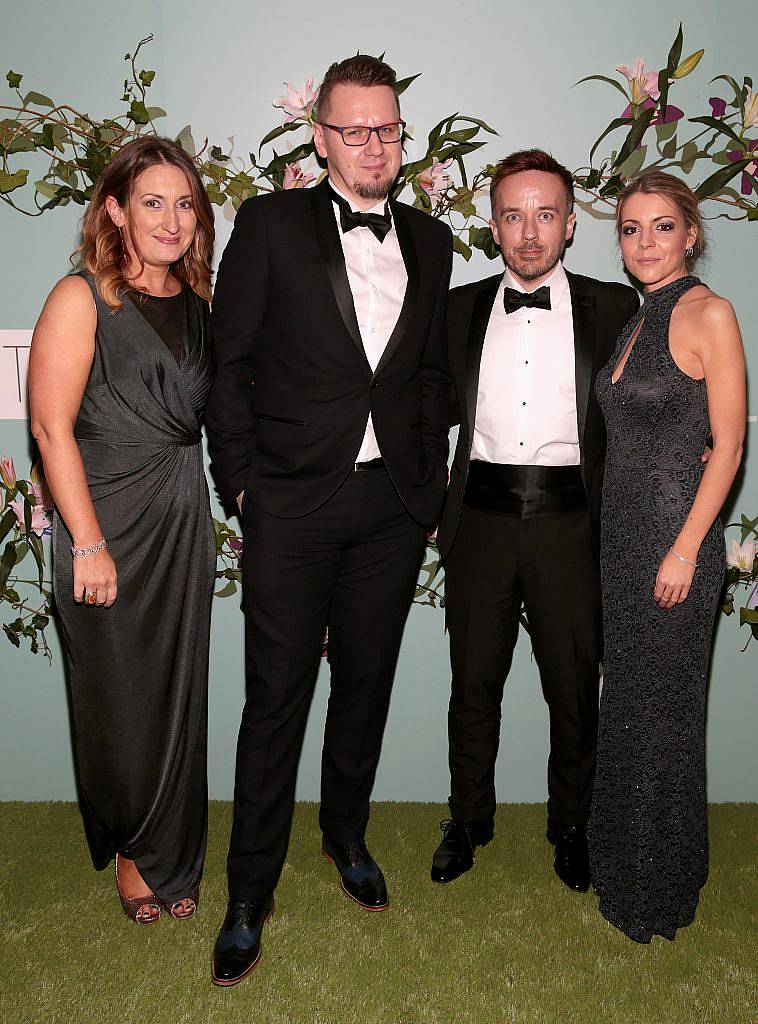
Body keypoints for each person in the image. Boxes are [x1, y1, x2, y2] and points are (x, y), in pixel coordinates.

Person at [205, 55, 452, 986]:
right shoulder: (269, 224)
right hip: (289, 506)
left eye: (388, 128)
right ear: (320, 137)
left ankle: (344, 836)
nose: (375, 144)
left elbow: (428, 377)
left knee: (366, 687)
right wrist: (242, 489)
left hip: (390, 509)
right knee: (274, 702)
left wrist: (422, 491)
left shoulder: (431, 241)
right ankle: (246, 892)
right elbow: (230, 369)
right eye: (355, 129)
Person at [430, 149, 639, 893]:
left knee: (574, 691)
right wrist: (430, 508)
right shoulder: (455, 309)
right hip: (478, 523)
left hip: (571, 526)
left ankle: (572, 828)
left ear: (571, 223)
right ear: (493, 225)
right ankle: (468, 821)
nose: (529, 232)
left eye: (545, 214)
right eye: (514, 215)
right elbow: (422, 411)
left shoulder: (616, 309)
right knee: (471, 687)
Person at [28, 137, 216, 925]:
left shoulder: (202, 304)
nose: (171, 220)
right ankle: (136, 852)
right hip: (103, 523)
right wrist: (90, 541)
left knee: (178, 692)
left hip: (180, 519)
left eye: (184, 205)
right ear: (115, 210)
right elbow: (48, 427)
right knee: (119, 697)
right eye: (152, 202)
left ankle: (176, 854)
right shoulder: (82, 298)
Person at [589, 171, 745, 943]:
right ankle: (623, 866)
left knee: (665, 717)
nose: (645, 242)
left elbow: (729, 446)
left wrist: (686, 548)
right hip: (623, 542)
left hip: (673, 546)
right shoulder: (634, 321)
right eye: (630, 228)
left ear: (691, 233)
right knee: (630, 707)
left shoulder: (710, 313)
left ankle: (660, 889)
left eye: (661, 226)